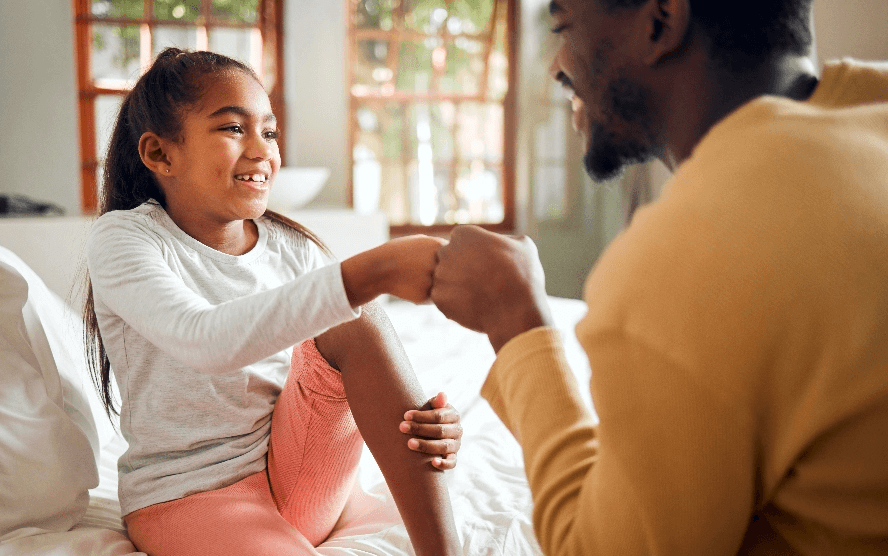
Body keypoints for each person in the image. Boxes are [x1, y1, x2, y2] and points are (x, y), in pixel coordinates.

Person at [431, 0, 888, 554]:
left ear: (660, 22)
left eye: (563, 27)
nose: (556, 65)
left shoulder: (698, 249)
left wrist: (516, 319)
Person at [83, 48, 463, 556]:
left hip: (302, 475)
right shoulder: (126, 239)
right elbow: (207, 339)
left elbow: (329, 376)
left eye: (269, 132)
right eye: (233, 129)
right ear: (159, 154)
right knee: (351, 298)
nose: (263, 151)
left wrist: (421, 423)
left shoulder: (293, 247)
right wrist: (378, 269)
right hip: (190, 496)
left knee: (357, 317)